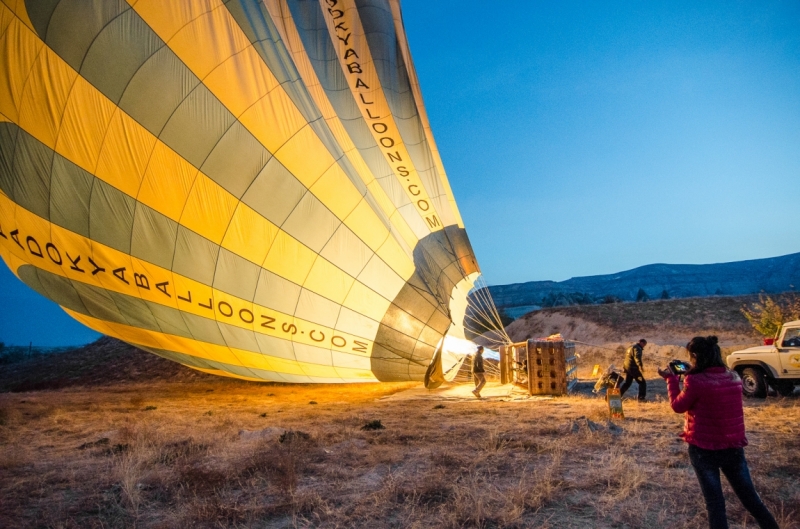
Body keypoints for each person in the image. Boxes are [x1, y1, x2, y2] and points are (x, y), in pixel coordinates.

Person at [658, 336, 778, 529]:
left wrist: (671, 379)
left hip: (703, 448)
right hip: (734, 446)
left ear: (695, 356)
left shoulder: (695, 380)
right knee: (751, 499)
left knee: (715, 504)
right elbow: (713, 387)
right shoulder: (733, 377)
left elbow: (678, 406)